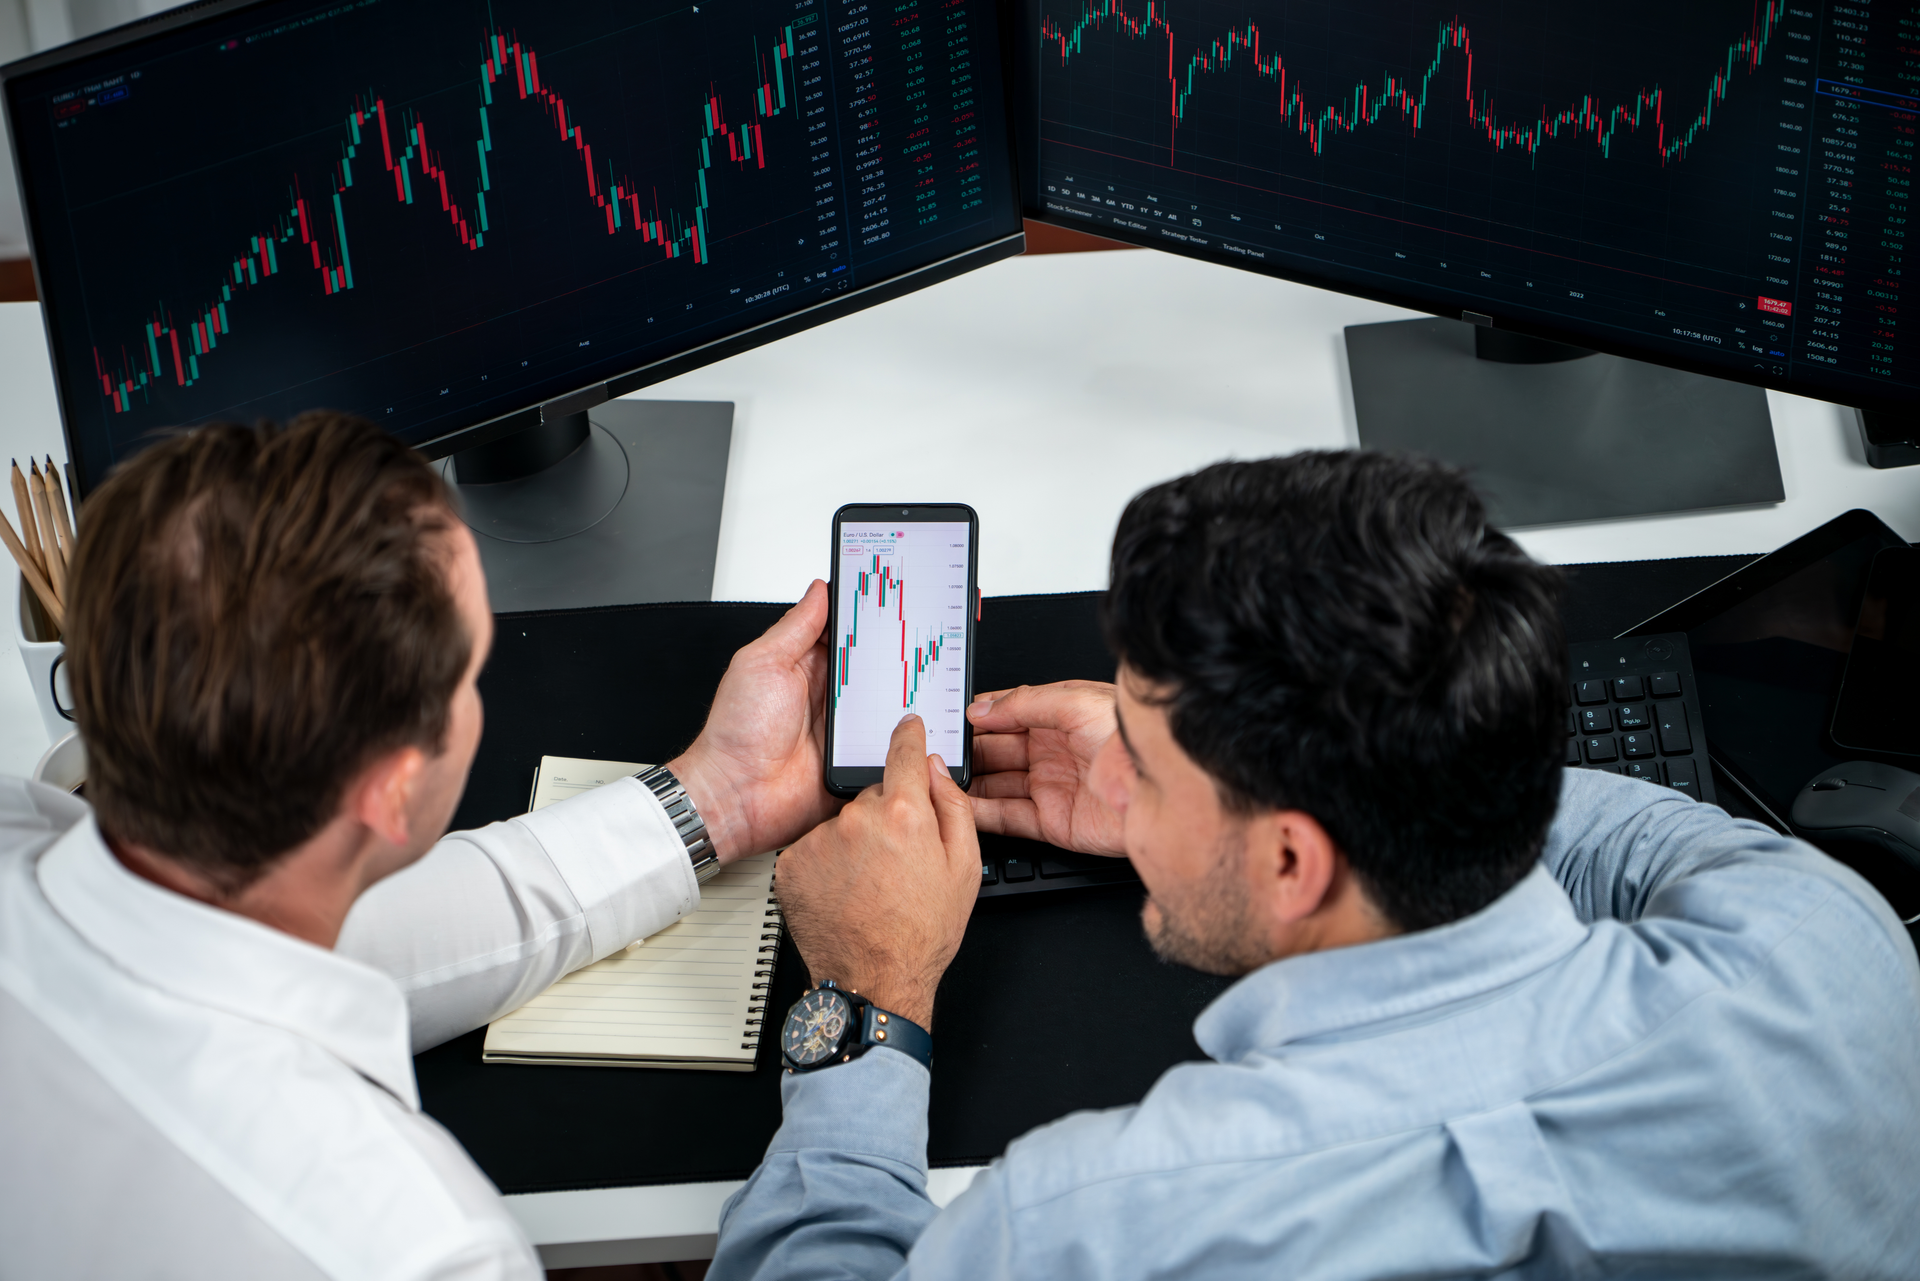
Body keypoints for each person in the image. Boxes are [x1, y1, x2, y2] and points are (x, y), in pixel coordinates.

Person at [712, 451, 1920, 1279]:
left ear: (1293, 860)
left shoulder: (1097, 1222)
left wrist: (871, 996)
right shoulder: (1830, 945)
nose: (1122, 775)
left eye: (1148, 757)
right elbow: (1602, 823)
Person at [0, 413, 842, 1277]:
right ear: (396, 787)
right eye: (474, 670)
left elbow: (326, 947)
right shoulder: (416, 1245)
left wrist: (714, 801)